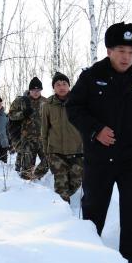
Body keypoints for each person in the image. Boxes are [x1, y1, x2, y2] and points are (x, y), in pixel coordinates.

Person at [66, 22, 132, 263]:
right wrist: (95, 129)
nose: (126, 56)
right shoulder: (91, 77)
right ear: (109, 50)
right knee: (93, 208)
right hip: (99, 158)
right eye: (121, 50)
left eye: (131, 52)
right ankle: (89, 256)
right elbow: (73, 108)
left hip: (131, 158)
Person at [41, 72, 83, 203]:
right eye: (58, 84)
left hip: (77, 151)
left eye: (64, 84)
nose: (61, 87)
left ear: (69, 86)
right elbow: (44, 129)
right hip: (56, 152)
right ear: (54, 88)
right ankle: (62, 215)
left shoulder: (78, 101)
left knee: (75, 182)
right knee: (61, 186)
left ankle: (67, 200)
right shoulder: (47, 105)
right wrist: (46, 151)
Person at [9, 77, 49, 180]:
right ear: (29, 90)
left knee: (48, 162)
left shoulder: (46, 102)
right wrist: (22, 114)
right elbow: (11, 115)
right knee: (26, 168)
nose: (35, 92)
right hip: (27, 140)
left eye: (38, 90)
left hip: (43, 140)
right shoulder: (21, 101)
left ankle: (37, 179)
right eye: (33, 90)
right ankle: (27, 187)